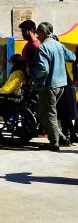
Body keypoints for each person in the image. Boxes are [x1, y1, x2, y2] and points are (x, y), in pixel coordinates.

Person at [29, 22, 75, 151]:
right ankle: (62, 138)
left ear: (43, 32)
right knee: (50, 113)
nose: (37, 34)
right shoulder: (58, 45)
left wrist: (31, 71)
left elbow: (43, 70)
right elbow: (72, 57)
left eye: (38, 31)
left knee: (48, 115)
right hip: (61, 84)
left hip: (48, 86)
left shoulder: (42, 48)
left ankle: (55, 142)